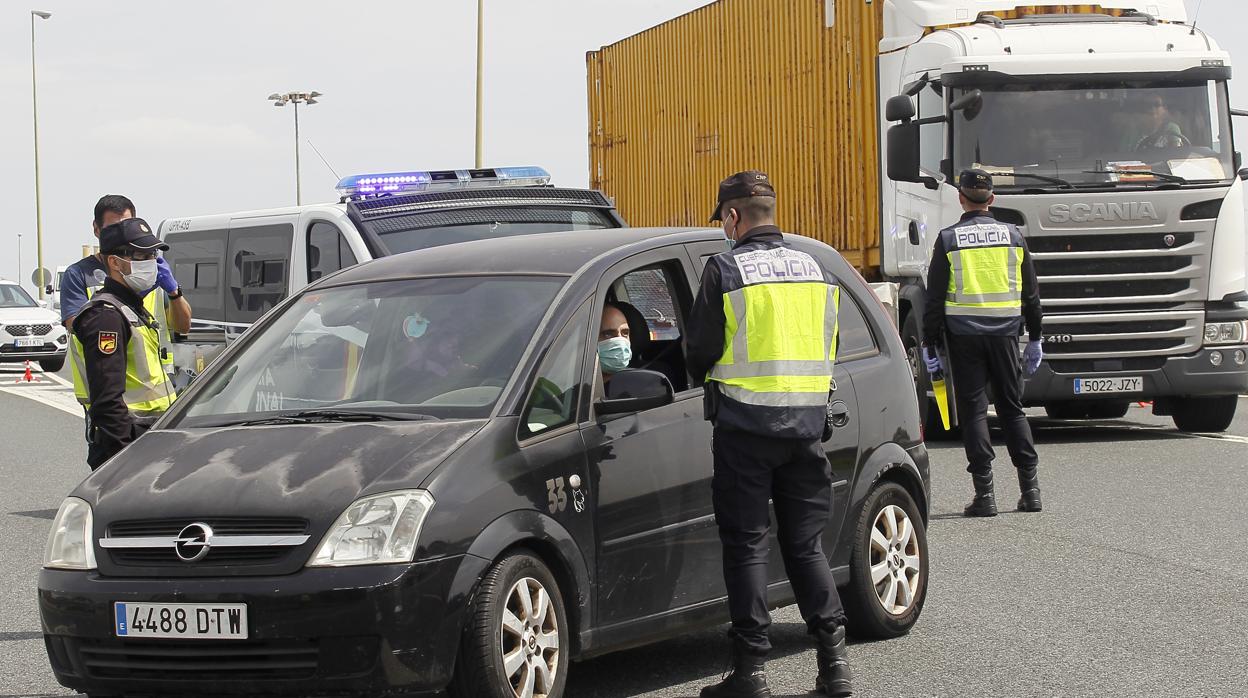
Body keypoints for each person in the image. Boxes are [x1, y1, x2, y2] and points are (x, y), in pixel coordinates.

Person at [686, 171, 851, 698]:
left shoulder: (725, 268)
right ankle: (834, 668)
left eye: (724, 221)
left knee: (748, 547)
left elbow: (699, 352)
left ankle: (751, 673)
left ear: (733, 217)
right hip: (806, 431)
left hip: (745, 430)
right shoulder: (817, 269)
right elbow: (830, 344)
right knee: (806, 548)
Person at [921, 168, 1045, 518]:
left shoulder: (948, 239)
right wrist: (1035, 337)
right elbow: (1031, 296)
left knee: (974, 411)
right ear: (992, 199)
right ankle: (1030, 491)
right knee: (1011, 407)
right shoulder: (1013, 236)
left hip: (963, 337)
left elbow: (934, 300)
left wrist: (930, 345)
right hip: (1006, 334)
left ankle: (985, 495)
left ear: (961, 197)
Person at [62, 195, 190, 407]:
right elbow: (77, 328)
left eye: (126, 226)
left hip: (159, 397)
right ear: (97, 230)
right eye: (113, 228)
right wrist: (126, 299)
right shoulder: (79, 274)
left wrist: (174, 292)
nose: (121, 234)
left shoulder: (150, 271)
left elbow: (183, 326)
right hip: (115, 401)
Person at [73, 218, 178, 469]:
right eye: (140, 256)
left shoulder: (132, 307)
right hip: (127, 445)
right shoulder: (105, 316)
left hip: (150, 436)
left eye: (152, 255)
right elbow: (107, 402)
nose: (150, 262)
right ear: (114, 262)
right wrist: (125, 462)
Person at [598, 302, 632, 385]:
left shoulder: (640, 384)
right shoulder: (572, 387)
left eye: (625, 333)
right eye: (608, 334)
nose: (620, 340)